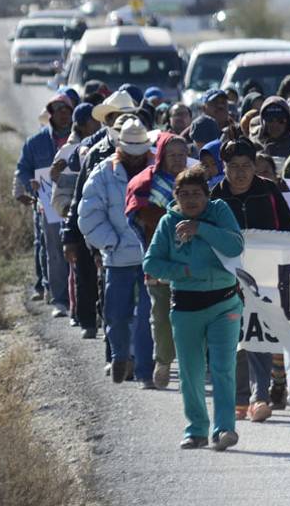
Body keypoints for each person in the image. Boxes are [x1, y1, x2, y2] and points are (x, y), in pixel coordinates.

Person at [143, 165, 244, 451]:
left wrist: (201, 229)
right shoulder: (168, 222)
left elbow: (235, 246)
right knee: (191, 371)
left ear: (206, 195)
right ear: (175, 196)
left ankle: (224, 429)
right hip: (187, 307)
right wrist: (184, 271)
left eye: (196, 194)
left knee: (223, 368)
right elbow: (151, 263)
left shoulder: (219, 211)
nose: (190, 200)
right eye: (183, 194)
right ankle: (196, 430)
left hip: (225, 303)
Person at [212, 138, 290, 419]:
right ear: (223, 167)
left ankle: (259, 396)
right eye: (233, 166)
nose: (240, 173)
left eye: (246, 166)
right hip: (227, 278)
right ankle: (239, 400)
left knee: (258, 332)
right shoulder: (215, 197)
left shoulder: (269, 191)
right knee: (235, 336)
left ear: (255, 166)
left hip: (266, 277)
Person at [80, 120, 155, 386]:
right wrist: (110, 243)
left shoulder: (158, 170)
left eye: (140, 150)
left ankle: (146, 371)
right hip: (118, 257)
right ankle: (120, 355)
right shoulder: (102, 174)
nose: (136, 156)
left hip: (152, 257)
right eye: (131, 150)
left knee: (149, 316)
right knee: (115, 314)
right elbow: (87, 216)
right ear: (120, 148)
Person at [62, 91, 140, 340]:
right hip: (104, 238)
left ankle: (134, 353)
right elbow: (80, 201)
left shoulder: (147, 150)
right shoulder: (94, 153)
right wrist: (69, 236)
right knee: (108, 292)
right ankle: (114, 350)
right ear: (107, 120)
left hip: (140, 241)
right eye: (116, 116)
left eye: (126, 116)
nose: (122, 121)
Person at [126, 131, 190, 389]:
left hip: (193, 263)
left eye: (182, 154)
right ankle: (162, 361)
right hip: (161, 260)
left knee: (192, 317)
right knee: (162, 316)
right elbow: (135, 216)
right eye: (172, 155)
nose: (177, 159)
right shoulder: (146, 184)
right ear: (161, 156)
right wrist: (156, 219)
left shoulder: (195, 183)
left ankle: (190, 367)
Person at [14, 92, 76, 316]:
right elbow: (23, 169)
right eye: (57, 110)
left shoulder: (81, 140)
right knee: (54, 251)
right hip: (47, 205)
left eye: (66, 110)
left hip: (76, 203)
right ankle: (60, 300)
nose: (62, 115)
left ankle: (80, 300)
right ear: (50, 114)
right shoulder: (35, 142)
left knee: (79, 250)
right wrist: (24, 186)